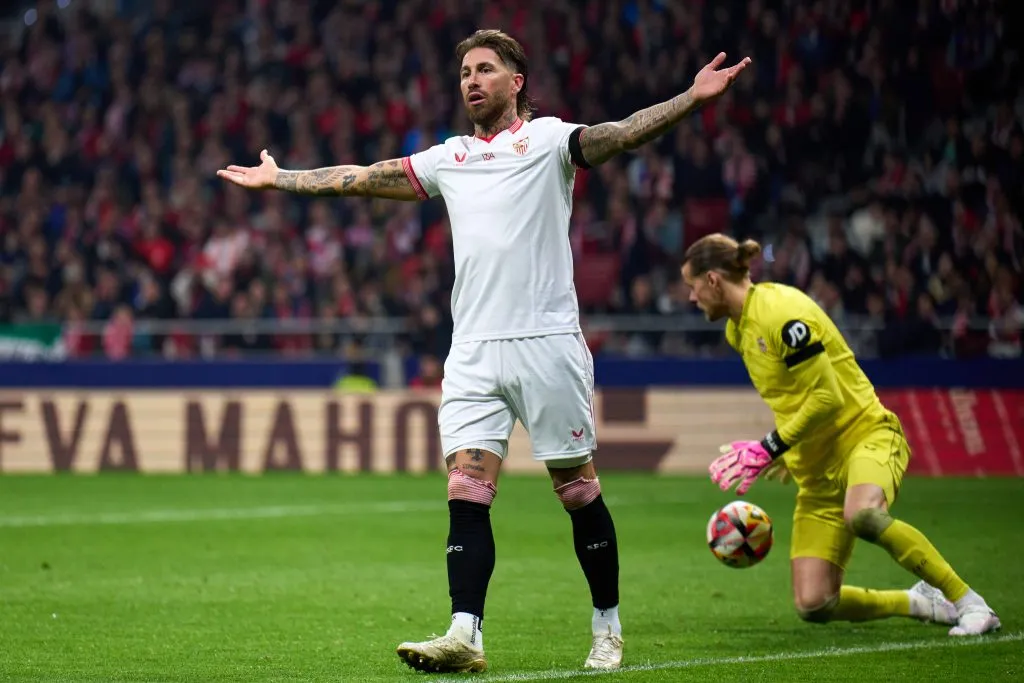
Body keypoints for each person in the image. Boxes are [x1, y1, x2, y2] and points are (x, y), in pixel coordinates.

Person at [218, 29, 751, 673]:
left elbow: (621, 134)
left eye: (485, 70)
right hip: (471, 350)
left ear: (515, 80)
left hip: (546, 344)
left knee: (577, 491)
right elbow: (361, 178)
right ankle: (465, 632)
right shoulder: (451, 158)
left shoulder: (551, 140)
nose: (471, 81)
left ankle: (606, 628)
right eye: (465, 72)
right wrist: (282, 181)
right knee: (466, 491)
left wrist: (691, 99)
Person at [680, 233, 1001, 637]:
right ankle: (920, 601)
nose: (691, 299)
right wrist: (785, 453)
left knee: (864, 515)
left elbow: (828, 397)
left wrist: (769, 445)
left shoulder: (781, 313)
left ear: (712, 280)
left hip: (864, 436)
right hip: (817, 471)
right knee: (814, 603)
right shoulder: (736, 331)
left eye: (691, 287)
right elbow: (792, 396)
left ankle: (970, 602)